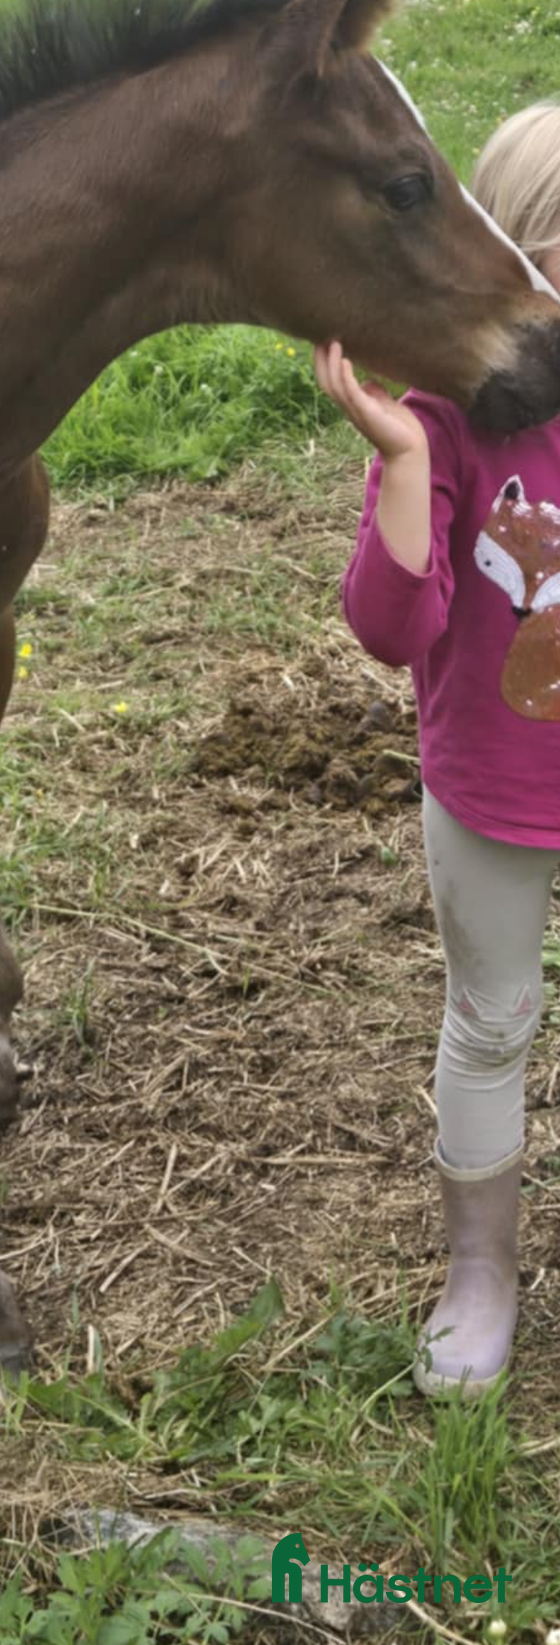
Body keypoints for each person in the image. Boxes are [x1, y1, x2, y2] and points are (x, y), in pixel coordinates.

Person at [314, 102, 560, 1398]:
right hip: (497, 792)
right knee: (492, 1020)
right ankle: (482, 1271)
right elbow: (391, 625)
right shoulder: (456, 416)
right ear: (520, 267)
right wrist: (405, 463)